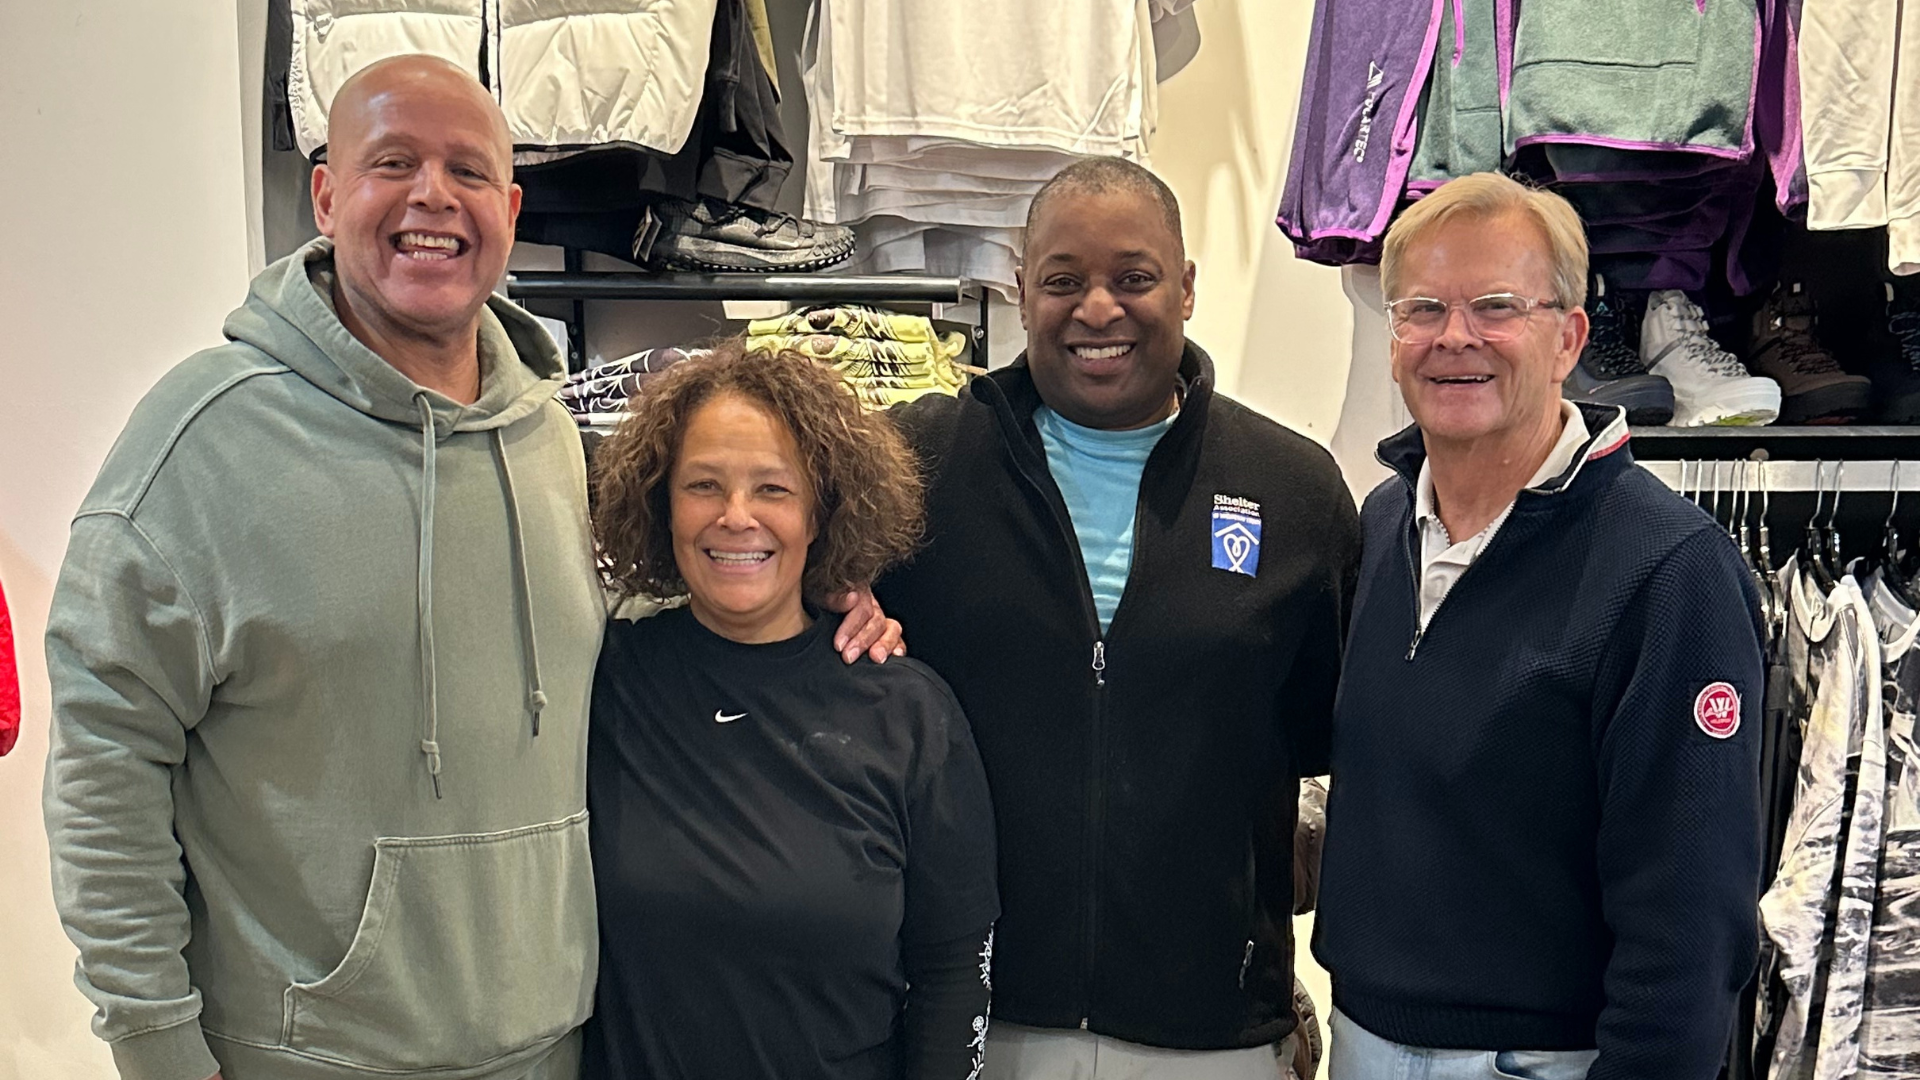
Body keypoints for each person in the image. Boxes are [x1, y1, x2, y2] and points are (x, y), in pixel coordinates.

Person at [38, 54, 901, 1080]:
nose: (432, 197)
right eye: (392, 161)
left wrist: (821, 587)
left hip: (556, 1046)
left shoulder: (544, 433)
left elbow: (643, 593)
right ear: (325, 193)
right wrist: (155, 1048)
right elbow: (103, 772)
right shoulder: (199, 447)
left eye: (467, 170)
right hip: (307, 1058)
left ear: (511, 204)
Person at [873, 157, 1362, 1080]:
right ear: (1020, 289)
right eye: (1063, 281)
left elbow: (1322, 738)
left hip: (1214, 1037)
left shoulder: (1295, 492)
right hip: (977, 1023)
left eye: (1133, 278)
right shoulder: (918, 465)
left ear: (1184, 288)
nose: (1098, 309)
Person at [1312, 172, 1765, 1080]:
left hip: (1541, 1062)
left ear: (1569, 338)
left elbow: (1692, 924)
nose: (1455, 337)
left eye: (1495, 306)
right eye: (1424, 308)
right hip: (1360, 1040)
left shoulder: (1671, 572)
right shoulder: (1380, 523)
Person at [583, 341, 999, 1080]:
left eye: (773, 489)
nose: (735, 517)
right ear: (660, 503)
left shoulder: (907, 714)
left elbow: (951, 972)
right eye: (703, 486)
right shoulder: (607, 681)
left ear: (821, 510)